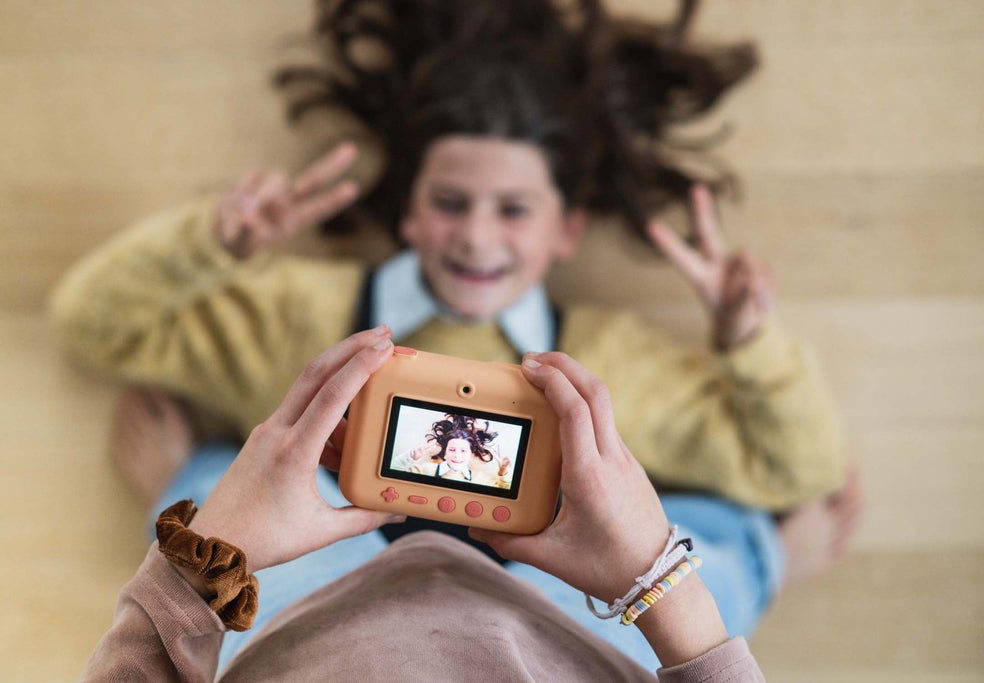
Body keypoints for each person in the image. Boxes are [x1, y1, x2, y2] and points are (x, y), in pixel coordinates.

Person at [54, 0, 863, 669]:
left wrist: (747, 341)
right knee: (709, 556)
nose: (477, 236)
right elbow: (94, 325)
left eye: (513, 209)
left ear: (566, 230)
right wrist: (214, 246)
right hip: (361, 566)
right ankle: (762, 558)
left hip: (512, 588)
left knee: (696, 545)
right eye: (449, 202)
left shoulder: (615, 367)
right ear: (408, 211)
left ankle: (184, 488)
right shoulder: (299, 316)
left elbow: (800, 469)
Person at [81, 329, 767, 681]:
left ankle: (180, 484)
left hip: (296, 621)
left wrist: (196, 570)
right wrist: (659, 581)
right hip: (577, 633)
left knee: (217, 498)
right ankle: (773, 547)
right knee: (727, 561)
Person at [393, 413, 513, 488]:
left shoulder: (481, 479)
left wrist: (504, 472)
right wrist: (410, 457)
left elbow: (506, 492)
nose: (456, 455)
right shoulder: (425, 470)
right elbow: (392, 475)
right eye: (452, 449)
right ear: (445, 453)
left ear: (471, 456)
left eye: (463, 451)